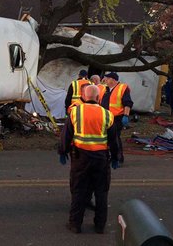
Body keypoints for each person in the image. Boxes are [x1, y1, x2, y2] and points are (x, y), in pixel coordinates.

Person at [58, 84, 114, 234]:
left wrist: (62, 151)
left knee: (79, 191)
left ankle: (75, 224)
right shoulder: (107, 114)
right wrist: (116, 156)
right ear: (98, 97)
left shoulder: (75, 112)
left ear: (83, 97)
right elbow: (114, 139)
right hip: (101, 159)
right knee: (101, 192)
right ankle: (100, 225)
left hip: (80, 158)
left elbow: (66, 134)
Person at [100, 72, 133, 167]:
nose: (105, 80)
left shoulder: (122, 88)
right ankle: (109, 157)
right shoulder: (104, 89)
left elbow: (128, 103)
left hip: (117, 118)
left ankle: (118, 158)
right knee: (106, 139)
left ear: (113, 80)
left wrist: (126, 116)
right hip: (105, 117)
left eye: (107, 78)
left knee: (115, 138)